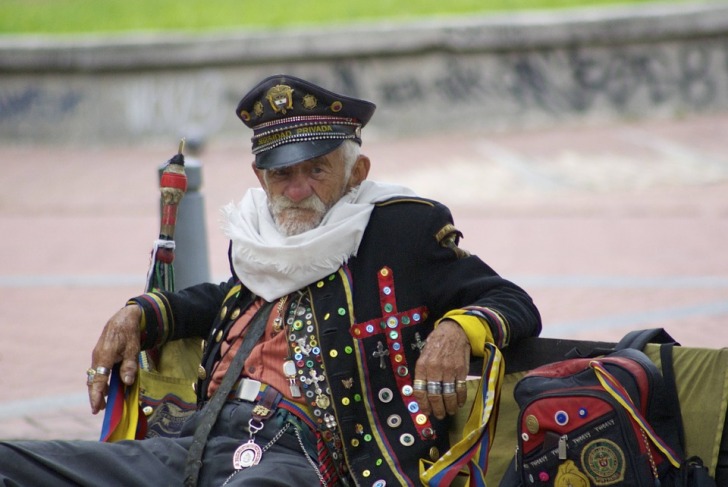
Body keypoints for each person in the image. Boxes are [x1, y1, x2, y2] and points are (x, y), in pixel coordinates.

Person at [0, 74, 541, 486]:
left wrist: (455, 331)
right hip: (201, 437)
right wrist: (141, 312)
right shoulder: (258, 236)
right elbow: (230, 302)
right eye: (282, 173)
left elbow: (511, 300)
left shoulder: (401, 229)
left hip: (308, 455)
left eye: (316, 170)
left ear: (356, 172)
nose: (297, 188)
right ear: (260, 176)